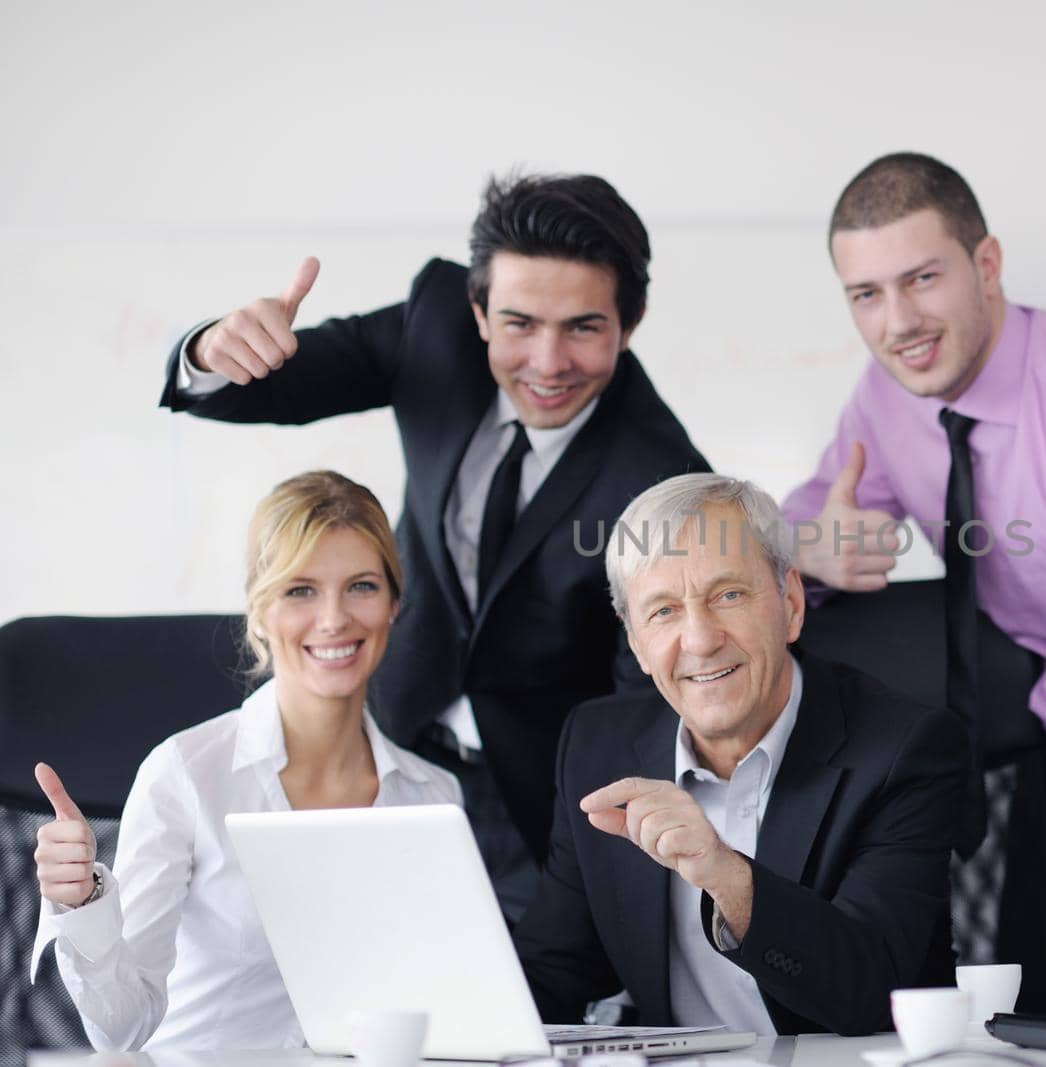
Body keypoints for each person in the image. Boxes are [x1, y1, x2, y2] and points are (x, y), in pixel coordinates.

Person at [158, 173, 709, 920]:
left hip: (540, 805)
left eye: (583, 327)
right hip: (383, 748)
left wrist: (595, 862)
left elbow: (640, 698)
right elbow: (267, 381)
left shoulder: (662, 476)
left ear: (628, 323)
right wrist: (213, 349)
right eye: (518, 324)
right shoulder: (433, 326)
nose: (547, 363)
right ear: (478, 310)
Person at [781, 152, 1046, 1008]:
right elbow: (802, 521)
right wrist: (807, 551)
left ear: (987, 264)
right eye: (866, 294)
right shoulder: (888, 394)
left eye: (921, 278)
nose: (898, 320)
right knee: (1025, 1034)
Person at [512, 473, 974, 1035]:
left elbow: (871, 990)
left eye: (728, 595)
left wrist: (726, 877)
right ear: (634, 642)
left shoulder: (905, 749)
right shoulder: (597, 745)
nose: (700, 639)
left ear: (791, 604)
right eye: (663, 612)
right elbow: (555, 969)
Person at [31, 471, 461, 1051]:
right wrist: (81, 903)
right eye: (300, 590)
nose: (334, 619)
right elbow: (121, 1029)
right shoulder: (187, 774)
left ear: (394, 603)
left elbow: (444, 1010)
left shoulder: (431, 796)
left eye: (361, 586)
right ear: (259, 611)